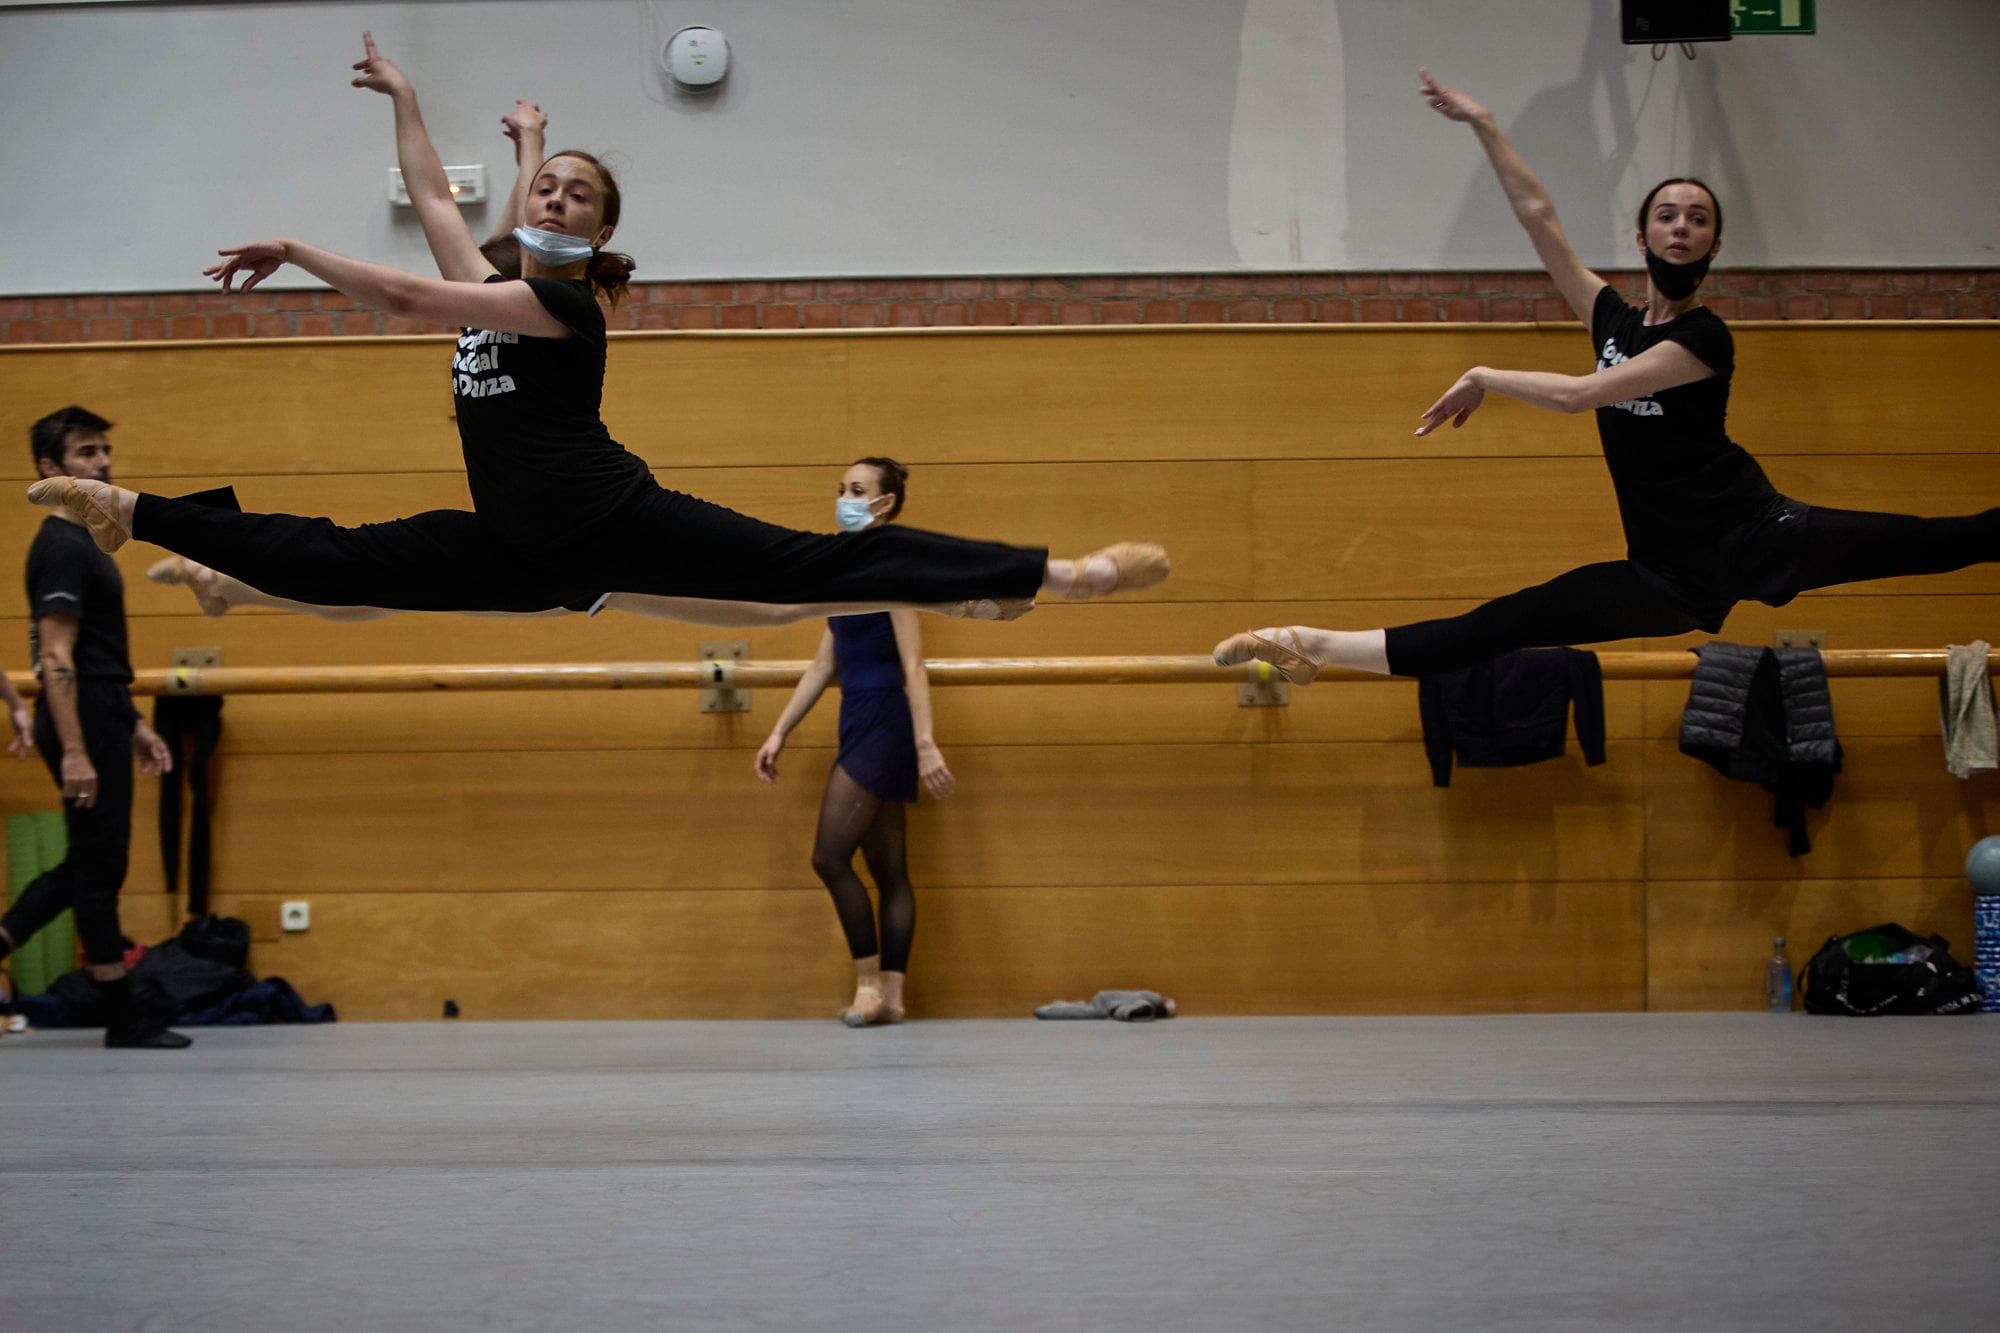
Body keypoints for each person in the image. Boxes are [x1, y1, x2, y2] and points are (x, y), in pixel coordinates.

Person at [33, 34, 1167, 628]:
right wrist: (413, 100)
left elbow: (419, 299)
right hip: (521, 547)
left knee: (806, 571)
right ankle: (130, 510)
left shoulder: (559, 305)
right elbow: (438, 205)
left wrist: (296, 247)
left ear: (605, 224)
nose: (555, 195)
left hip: (607, 515)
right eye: (550, 186)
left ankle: (1056, 575)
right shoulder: (508, 266)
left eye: (580, 191)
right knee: (336, 558)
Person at [1216, 68, 1998, 684]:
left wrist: (1485, 370)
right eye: (1668, 215)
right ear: (1643, 230)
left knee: (1943, 542)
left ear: (1713, 246)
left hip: (1761, 534)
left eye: (1698, 219)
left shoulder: (1704, 339)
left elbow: (1580, 395)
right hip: (1667, 575)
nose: (1682, 227)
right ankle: (1309, 644)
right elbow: (1538, 217)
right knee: (1510, 622)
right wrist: (1484, 122)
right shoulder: (1614, 320)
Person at [0, 407, 186, 1049]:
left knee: (87, 863)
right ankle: (123, 1017)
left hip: (103, 712)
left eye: (103, 450)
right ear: (50, 470)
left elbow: (96, 656)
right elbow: (54, 657)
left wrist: (132, 722)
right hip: (79, 721)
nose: (103, 462)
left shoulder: (84, 541)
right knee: (100, 870)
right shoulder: (58, 547)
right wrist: (77, 749)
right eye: (85, 453)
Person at [753, 459, 955, 1027]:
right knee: (889, 868)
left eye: (858, 490)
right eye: (841, 489)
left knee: (829, 856)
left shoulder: (894, 569)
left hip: (887, 721)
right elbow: (824, 663)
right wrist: (779, 731)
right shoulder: (846, 570)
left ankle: (868, 986)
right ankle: (892, 996)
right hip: (857, 716)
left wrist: (925, 743)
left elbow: (914, 664)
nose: (844, 497)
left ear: (884, 504)